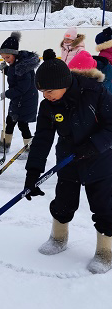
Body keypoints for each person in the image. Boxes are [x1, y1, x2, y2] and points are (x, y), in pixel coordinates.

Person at [24, 49, 112, 274]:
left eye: (49, 91)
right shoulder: (49, 106)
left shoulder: (95, 93)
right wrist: (32, 173)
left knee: (103, 207)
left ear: (64, 83)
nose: (46, 95)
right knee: (63, 202)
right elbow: (43, 139)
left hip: (100, 160)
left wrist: (93, 145)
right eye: (42, 91)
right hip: (68, 160)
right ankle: (58, 238)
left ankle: (105, 252)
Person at [0, 31, 39, 158]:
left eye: (7, 58)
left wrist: (7, 93)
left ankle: (30, 148)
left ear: (14, 54)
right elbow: (14, 75)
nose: (6, 60)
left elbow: (22, 87)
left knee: (23, 124)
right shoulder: (16, 63)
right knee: (10, 121)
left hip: (25, 101)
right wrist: (5, 69)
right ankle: (4, 145)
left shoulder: (23, 68)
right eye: (3, 58)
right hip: (19, 100)